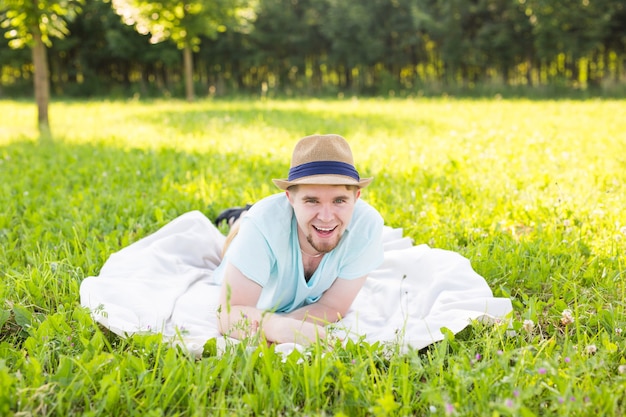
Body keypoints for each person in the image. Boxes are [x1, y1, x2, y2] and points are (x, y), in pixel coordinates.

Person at [214, 134, 384, 345]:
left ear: (356, 197)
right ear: (290, 198)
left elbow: (333, 307)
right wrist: (277, 328)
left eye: (339, 200)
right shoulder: (261, 224)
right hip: (254, 229)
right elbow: (228, 314)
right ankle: (238, 217)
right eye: (312, 201)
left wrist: (290, 326)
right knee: (242, 228)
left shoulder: (367, 225)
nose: (326, 216)